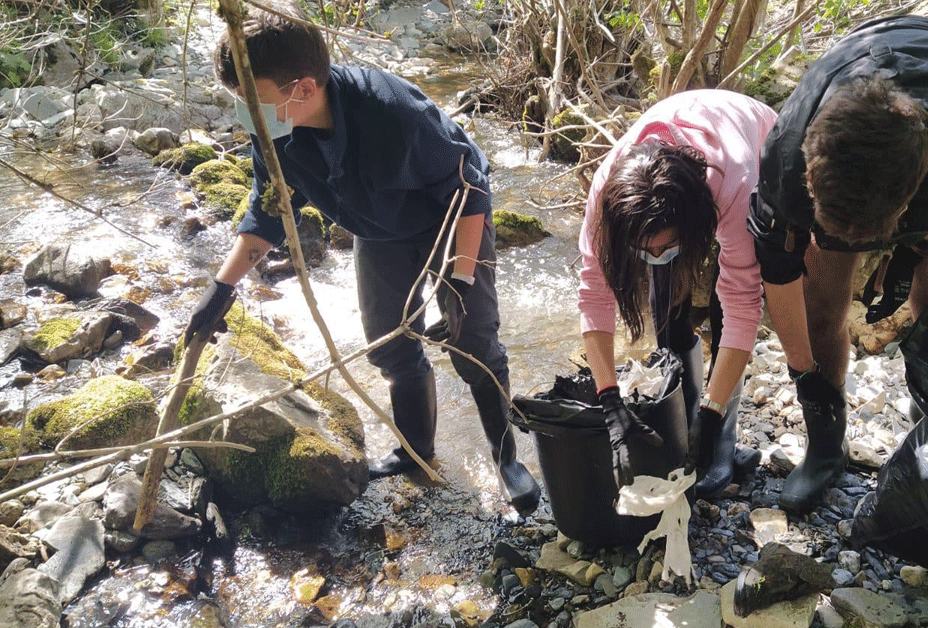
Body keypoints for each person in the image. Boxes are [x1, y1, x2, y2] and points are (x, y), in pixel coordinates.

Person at [187, 11, 540, 512]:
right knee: (387, 343)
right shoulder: (276, 130)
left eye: (252, 101)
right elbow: (269, 209)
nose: (244, 113)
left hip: (450, 221)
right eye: (238, 101)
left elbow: (471, 192)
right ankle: (416, 453)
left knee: (473, 341)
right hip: (378, 231)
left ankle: (506, 457)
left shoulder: (395, 112)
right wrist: (220, 290)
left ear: (304, 88)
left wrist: (460, 279)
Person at [750, 15, 928, 514]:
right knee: (820, 309)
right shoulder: (785, 159)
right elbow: (780, 275)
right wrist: (802, 372)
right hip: (855, 88)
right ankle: (826, 447)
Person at [578, 89, 776, 497]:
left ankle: (719, 438)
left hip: (756, 142)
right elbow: (593, 295)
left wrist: (714, 412)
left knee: (727, 303)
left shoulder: (736, 182)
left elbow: (743, 304)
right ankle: (684, 423)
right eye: (643, 250)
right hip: (677, 162)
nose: (655, 256)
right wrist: (610, 399)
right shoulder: (606, 197)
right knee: (666, 305)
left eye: (666, 246)